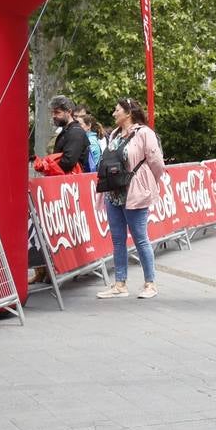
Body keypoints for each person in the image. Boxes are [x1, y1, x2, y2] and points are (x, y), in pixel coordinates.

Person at [96, 98, 168, 300]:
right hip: (113, 192)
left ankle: (150, 283)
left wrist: (147, 183)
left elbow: (157, 163)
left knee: (140, 238)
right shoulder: (114, 135)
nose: (113, 113)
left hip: (135, 193)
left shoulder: (145, 133)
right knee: (118, 240)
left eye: (117, 110)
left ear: (128, 113)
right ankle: (120, 284)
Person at [48, 95, 89, 173]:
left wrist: (48, 167)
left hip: (71, 182)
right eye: (52, 112)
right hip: (66, 180)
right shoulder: (67, 130)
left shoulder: (75, 132)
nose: (53, 116)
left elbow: (68, 162)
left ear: (69, 112)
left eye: (57, 112)